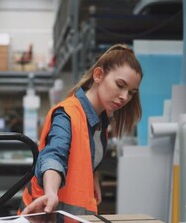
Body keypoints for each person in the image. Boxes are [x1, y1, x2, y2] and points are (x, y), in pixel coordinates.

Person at [18, 44, 143, 216]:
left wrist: (92, 175)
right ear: (98, 75)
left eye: (131, 92)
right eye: (120, 85)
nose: (124, 97)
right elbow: (54, 155)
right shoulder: (67, 114)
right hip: (42, 216)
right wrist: (51, 192)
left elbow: (81, 155)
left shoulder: (99, 121)